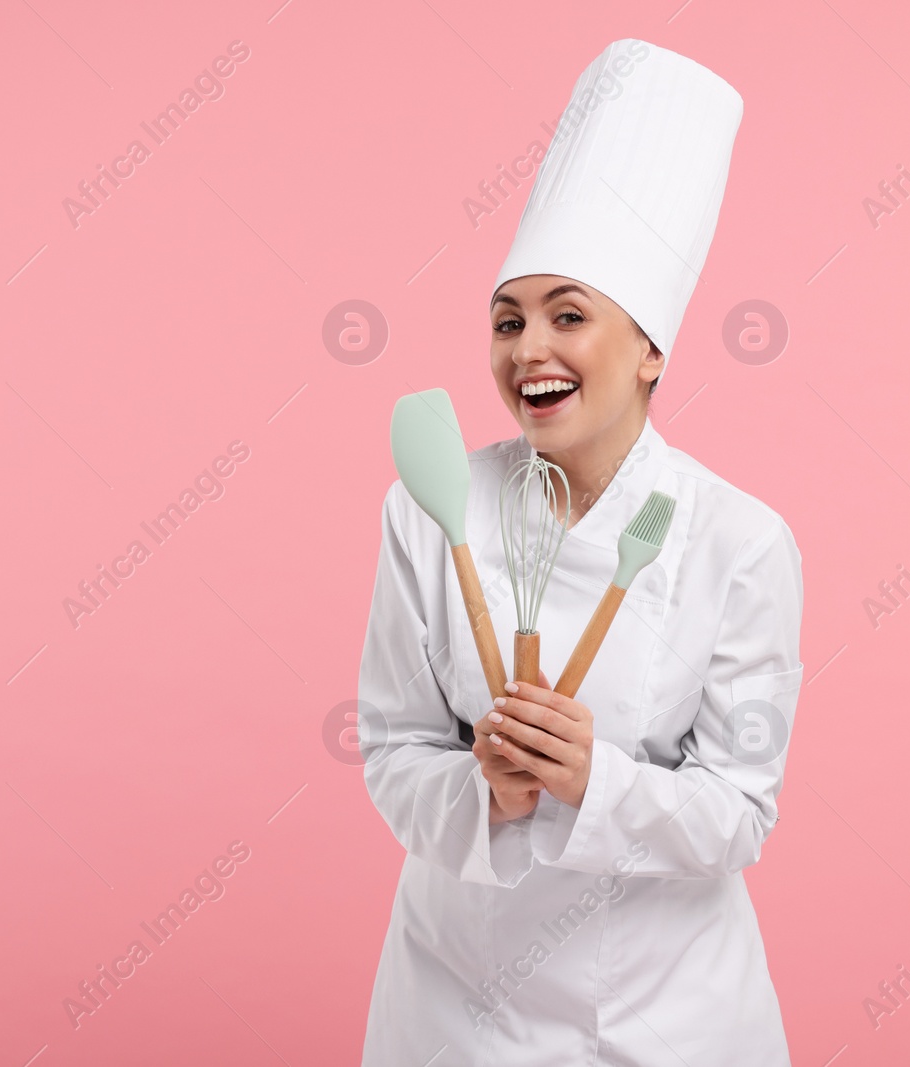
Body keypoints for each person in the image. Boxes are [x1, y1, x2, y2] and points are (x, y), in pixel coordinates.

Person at [357, 38, 804, 1065]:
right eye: (508, 319)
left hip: (670, 1015)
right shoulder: (430, 507)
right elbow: (391, 747)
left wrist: (587, 779)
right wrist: (486, 794)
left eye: (569, 315)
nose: (527, 350)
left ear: (651, 349)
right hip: (454, 1003)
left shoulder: (739, 541)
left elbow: (737, 812)